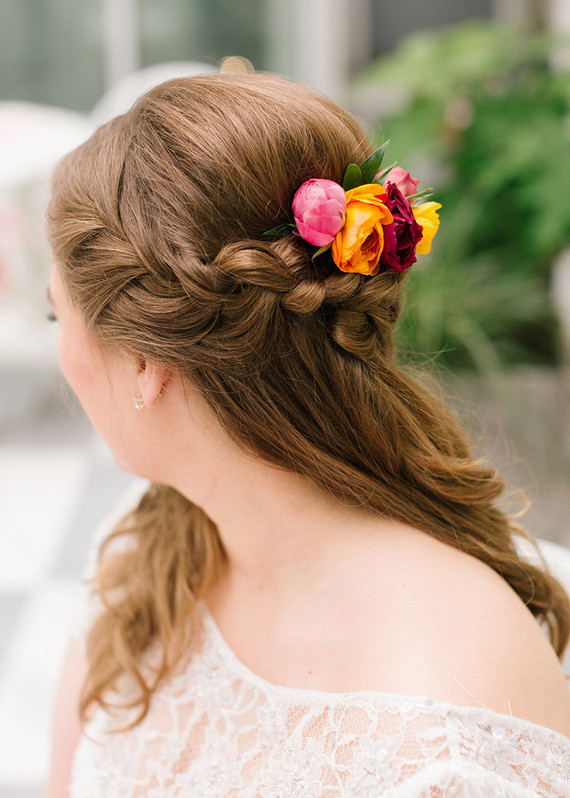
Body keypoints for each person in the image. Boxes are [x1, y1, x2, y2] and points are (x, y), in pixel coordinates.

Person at [43, 72, 570, 797]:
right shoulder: (147, 557)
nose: (61, 349)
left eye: (55, 316)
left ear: (142, 360)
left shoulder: (443, 747)